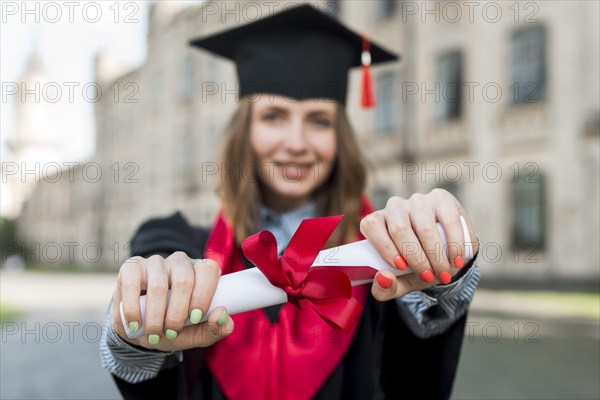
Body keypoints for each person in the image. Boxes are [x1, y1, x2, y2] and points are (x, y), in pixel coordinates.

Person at [100, 4, 480, 399]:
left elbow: (423, 342)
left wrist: (444, 263)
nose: (296, 143)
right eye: (274, 116)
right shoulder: (181, 247)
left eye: (319, 120)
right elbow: (137, 353)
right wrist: (136, 326)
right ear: (243, 133)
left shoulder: (379, 257)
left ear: (341, 139)